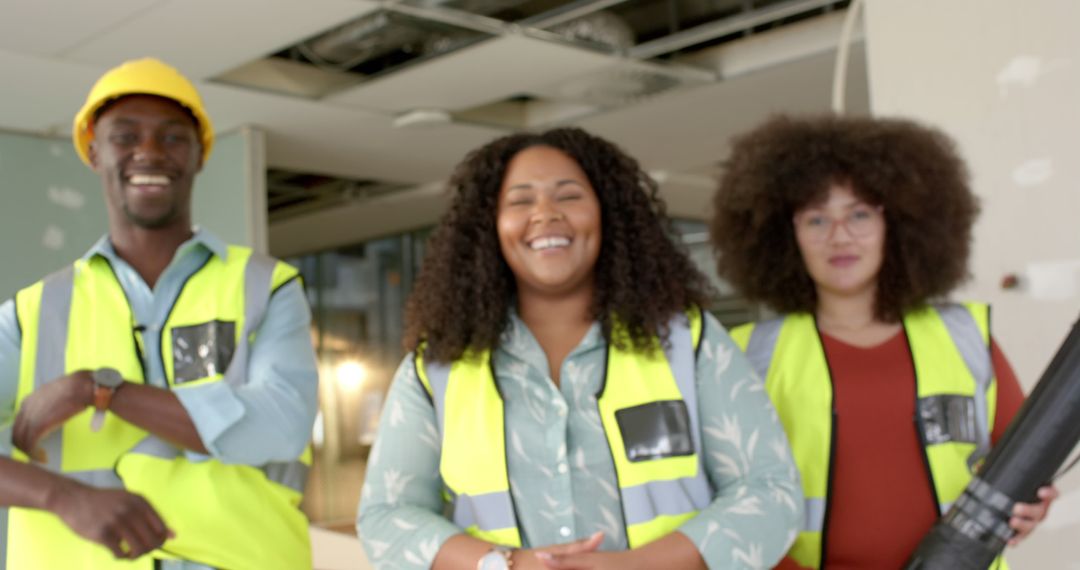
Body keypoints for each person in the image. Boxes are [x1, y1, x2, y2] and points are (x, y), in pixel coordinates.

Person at [357, 127, 802, 570]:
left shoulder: (689, 341)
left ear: (608, 214)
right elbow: (386, 517)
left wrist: (637, 567)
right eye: (520, 200)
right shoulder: (437, 369)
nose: (546, 214)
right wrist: (504, 564)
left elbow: (770, 491)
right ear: (488, 227)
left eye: (568, 196)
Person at [0, 58, 319, 569]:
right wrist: (65, 496)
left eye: (173, 138)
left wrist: (98, 390)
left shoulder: (266, 286)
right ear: (93, 152)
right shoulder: (33, 312)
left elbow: (281, 425)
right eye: (124, 137)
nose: (148, 152)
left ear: (198, 156)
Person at [709, 114, 1057, 569]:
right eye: (816, 218)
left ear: (899, 224)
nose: (839, 236)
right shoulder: (746, 354)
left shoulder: (967, 337)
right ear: (783, 234)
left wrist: (1032, 506)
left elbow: (1023, 462)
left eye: (859, 214)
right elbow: (727, 498)